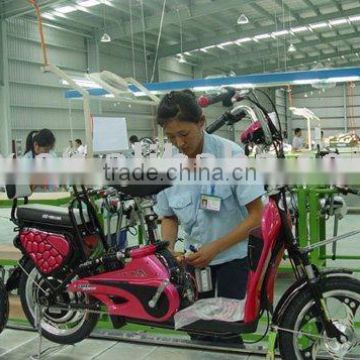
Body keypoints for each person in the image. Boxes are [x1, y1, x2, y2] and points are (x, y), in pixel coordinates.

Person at [153, 90, 264, 344]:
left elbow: (257, 215)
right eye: (171, 137)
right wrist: (169, 253)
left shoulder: (231, 156)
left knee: (227, 333)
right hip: (192, 266)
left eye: (184, 134)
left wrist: (216, 247)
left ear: (201, 122)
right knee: (200, 333)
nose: (179, 144)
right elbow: (168, 215)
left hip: (230, 264)